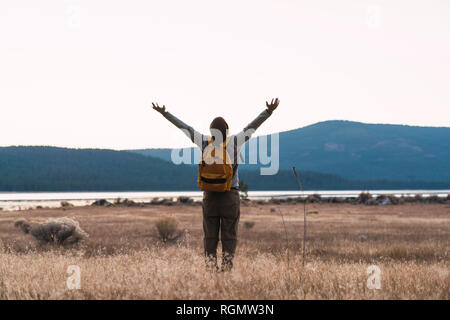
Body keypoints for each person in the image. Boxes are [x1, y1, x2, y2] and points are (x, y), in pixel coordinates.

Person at [152, 98, 280, 271]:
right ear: (226, 131)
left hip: (210, 197)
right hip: (230, 196)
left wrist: (165, 113)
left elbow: (185, 128)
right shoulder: (235, 141)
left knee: (210, 237)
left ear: (211, 131)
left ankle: (211, 271)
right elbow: (252, 127)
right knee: (230, 236)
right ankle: (226, 272)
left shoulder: (204, 142)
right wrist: (268, 112)